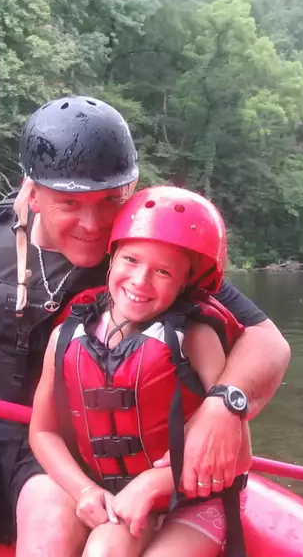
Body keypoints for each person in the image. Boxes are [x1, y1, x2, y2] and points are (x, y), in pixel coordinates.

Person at [0, 96, 291, 557]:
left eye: (109, 201)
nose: (94, 223)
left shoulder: (147, 254)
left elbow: (266, 342)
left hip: (76, 449)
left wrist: (223, 406)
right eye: (70, 203)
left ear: (132, 186)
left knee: (51, 539)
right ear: (33, 192)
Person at [30, 185, 253, 557]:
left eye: (163, 271)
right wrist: (84, 490)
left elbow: (241, 454)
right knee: (102, 551)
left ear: (184, 282)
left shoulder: (196, 338)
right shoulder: (66, 336)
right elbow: (43, 431)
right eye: (131, 260)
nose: (140, 281)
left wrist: (153, 482)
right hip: (125, 498)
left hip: (198, 502)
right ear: (112, 257)